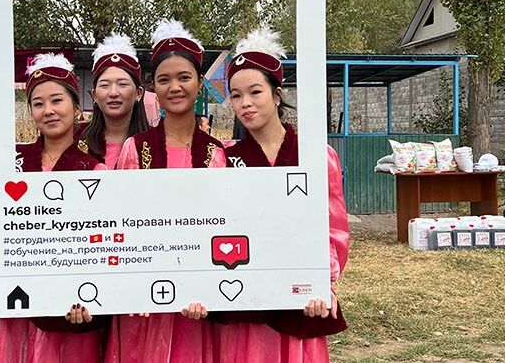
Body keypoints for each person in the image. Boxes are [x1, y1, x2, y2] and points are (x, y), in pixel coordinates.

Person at [0, 53, 107, 363]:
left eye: (57, 101)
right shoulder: (9, 161)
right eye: (38, 104)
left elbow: (100, 240)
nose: (48, 110)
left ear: (77, 108)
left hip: (67, 291)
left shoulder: (94, 170)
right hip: (12, 283)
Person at [208, 28, 349, 363]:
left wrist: (320, 280)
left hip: (300, 295)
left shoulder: (316, 155)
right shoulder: (223, 158)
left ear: (277, 94)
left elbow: (333, 228)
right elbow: (215, 226)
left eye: (255, 92)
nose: (245, 103)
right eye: (236, 95)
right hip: (243, 295)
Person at [104, 19, 225, 363]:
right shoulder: (135, 148)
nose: (175, 87)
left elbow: (223, 225)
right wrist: (132, 284)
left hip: (197, 299)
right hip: (142, 300)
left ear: (199, 82)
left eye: (184, 77)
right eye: (164, 80)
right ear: (153, 88)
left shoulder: (216, 153)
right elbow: (120, 222)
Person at [79, 33, 149, 168]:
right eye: (104, 85)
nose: (113, 93)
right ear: (94, 95)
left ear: (138, 93)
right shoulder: (76, 141)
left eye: (122, 84)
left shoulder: (155, 142)